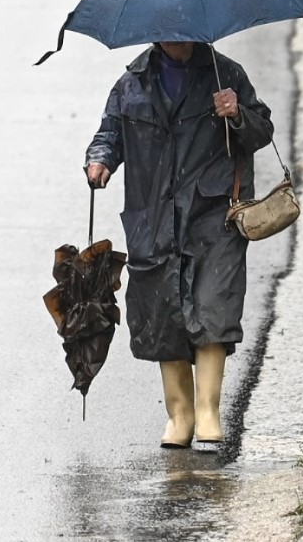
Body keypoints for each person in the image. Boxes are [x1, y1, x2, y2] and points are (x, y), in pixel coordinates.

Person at [84, 40, 273, 451]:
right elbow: (109, 133)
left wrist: (237, 113)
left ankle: (208, 411)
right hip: (153, 216)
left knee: (213, 304)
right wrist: (99, 160)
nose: (177, 39)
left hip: (213, 213)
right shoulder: (130, 84)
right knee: (164, 312)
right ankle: (180, 415)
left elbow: (262, 131)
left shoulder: (228, 74)